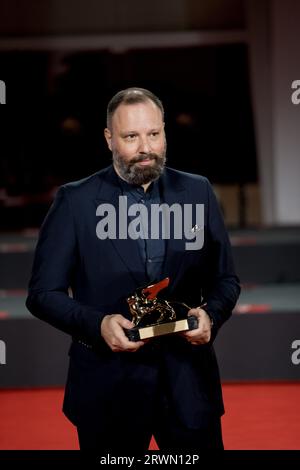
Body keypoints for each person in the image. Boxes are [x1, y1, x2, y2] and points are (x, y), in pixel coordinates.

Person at [26, 87, 240, 453]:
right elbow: (43, 294)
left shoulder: (198, 191)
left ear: (164, 133)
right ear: (109, 138)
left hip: (188, 385)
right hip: (108, 387)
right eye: (131, 136)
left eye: (154, 134)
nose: (145, 147)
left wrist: (212, 316)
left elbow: (225, 280)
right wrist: (98, 324)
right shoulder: (74, 201)